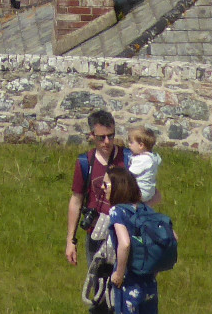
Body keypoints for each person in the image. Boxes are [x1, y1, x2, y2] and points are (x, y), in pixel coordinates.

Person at [67, 109, 131, 311]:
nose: (107, 142)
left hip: (123, 233)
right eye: (101, 137)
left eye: (111, 136)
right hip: (96, 233)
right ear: (92, 136)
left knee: (124, 288)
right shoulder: (85, 162)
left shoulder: (127, 159)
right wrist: (70, 240)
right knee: (99, 291)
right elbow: (76, 200)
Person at [103, 165, 160, 314]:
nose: (103, 188)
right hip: (149, 282)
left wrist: (119, 274)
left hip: (129, 282)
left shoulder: (118, 211)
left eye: (106, 184)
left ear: (117, 187)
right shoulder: (146, 210)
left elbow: (125, 243)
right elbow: (168, 240)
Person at [127, 126, 162, 206]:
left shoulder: (142, 160)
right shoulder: (152, 157)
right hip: (149, 191)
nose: (129, 145)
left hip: (140, 191)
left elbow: (129, 174)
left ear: (141, 145)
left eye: (131, 142)